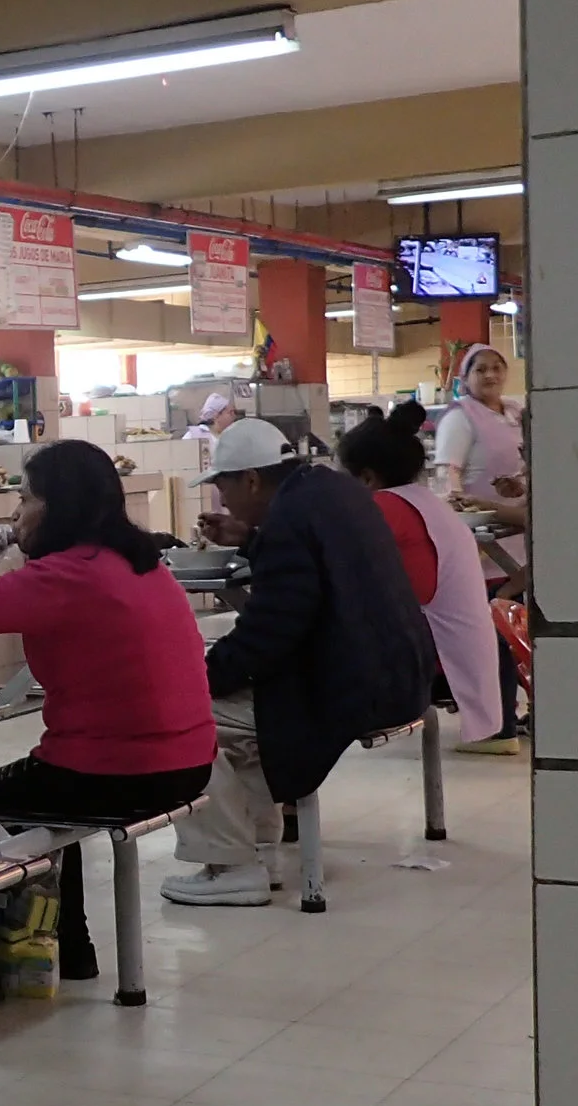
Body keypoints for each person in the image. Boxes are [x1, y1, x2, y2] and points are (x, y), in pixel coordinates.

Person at [0, 439, 215, 1004]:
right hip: (188, 763)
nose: (17, 513)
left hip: (119, 770)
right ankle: (72, 949)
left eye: (24, 498)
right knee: (40, 800)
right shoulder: (138, 563)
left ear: (56, 507)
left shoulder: (68, 576)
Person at [161, 420, 435, 906]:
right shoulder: (330, 490)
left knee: (172, 717)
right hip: (398, 672)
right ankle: (259, 850)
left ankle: (231, 863)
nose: (221, 501)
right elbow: (316, 568)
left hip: (354, 687)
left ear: (250, 479)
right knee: (234, 714)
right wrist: (251, 539)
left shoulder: (290, 519)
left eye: (223, 486)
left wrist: (197, 678)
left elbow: (270, 633)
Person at [338, 401, 505, 748]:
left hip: (439, 663)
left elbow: (328, 554)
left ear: (366, 477)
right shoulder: (425, 501)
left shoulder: (384, 507)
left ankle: (287, 791)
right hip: (464, 654)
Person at [434, 343, 528, 749]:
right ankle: (498, 724)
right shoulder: (460, 417)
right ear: (465, 377)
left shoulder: (514, 413)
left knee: (516, 627)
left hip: (518, 534)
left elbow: (528, 466)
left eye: (496, 368)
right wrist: (457, 504)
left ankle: (508, 720)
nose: (489, 376)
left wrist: (518, 486)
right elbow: (448, 471)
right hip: (483, 539)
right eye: (480, 370)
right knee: (494, 632)